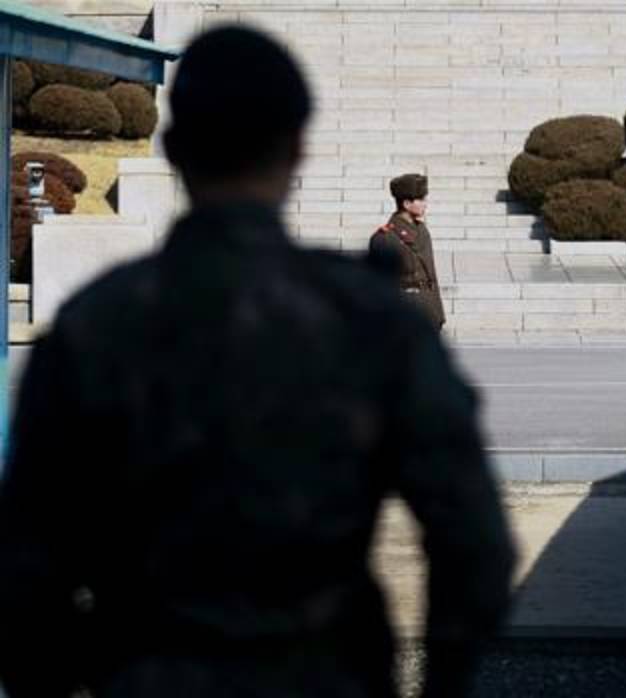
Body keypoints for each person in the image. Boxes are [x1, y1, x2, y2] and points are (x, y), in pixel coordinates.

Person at [0, 25, 513, 698]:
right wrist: (445, 680)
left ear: (177, 150)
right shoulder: (369, 320)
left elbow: (28, 563)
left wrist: (67, 676)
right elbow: (472, 538)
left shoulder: (98, 324)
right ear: (298, 146)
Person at [370, 174, 446, 331]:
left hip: (429, 310)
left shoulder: (422, 231)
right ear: (406, 203)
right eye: (421, 200)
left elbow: (431, 273)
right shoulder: (385, 238)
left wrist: (438, 313)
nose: (425, 204)